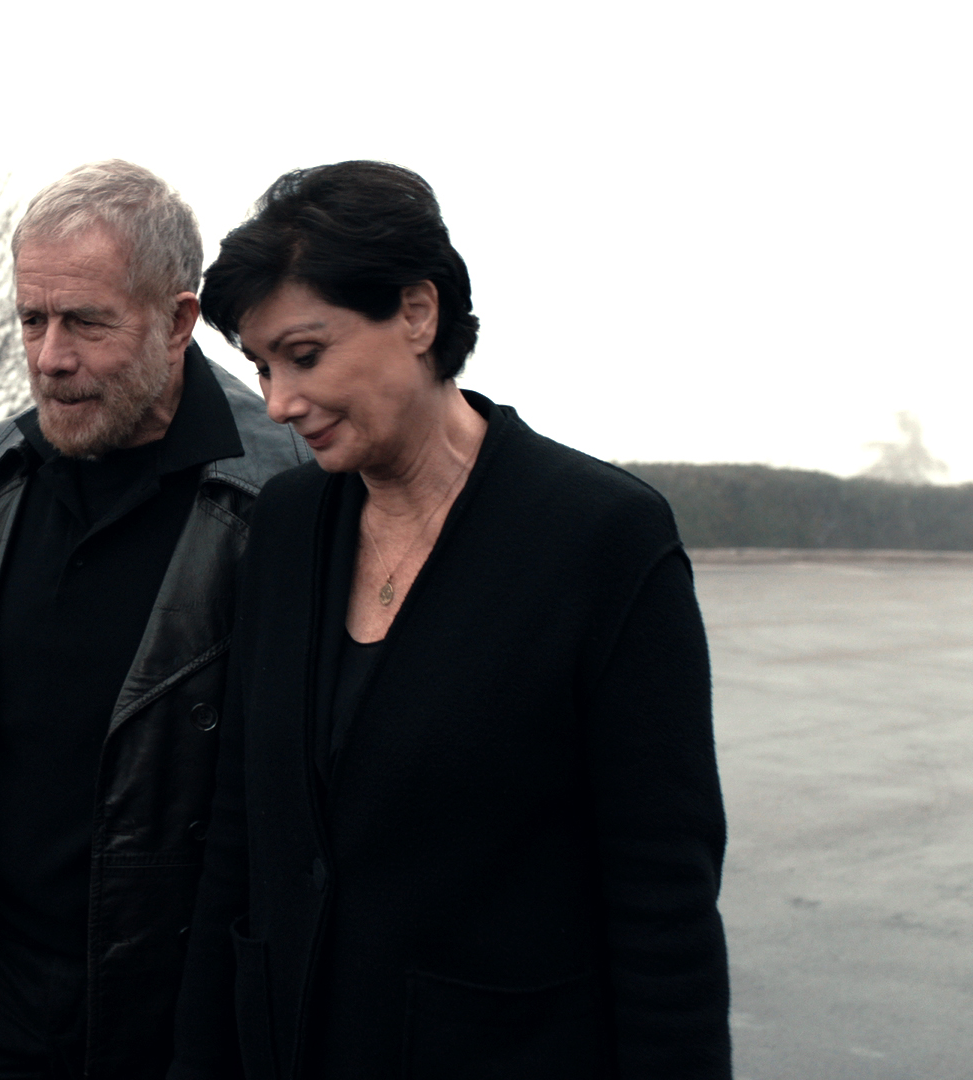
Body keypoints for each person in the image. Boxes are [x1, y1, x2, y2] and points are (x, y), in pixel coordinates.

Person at [168, 162, 732, 1080]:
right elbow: (240, 838)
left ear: (417, 312)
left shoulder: (600, 537)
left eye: (304, 355)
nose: (277, 402)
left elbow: (663, 898)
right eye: (262, 367)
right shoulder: (285, 526)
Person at [0, 160, 308, 1080]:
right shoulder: (3, 466)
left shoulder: (279, 491)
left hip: (167, 1017)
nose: (50, 357)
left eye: (85, 322)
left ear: (179, 321)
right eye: (32, 320)